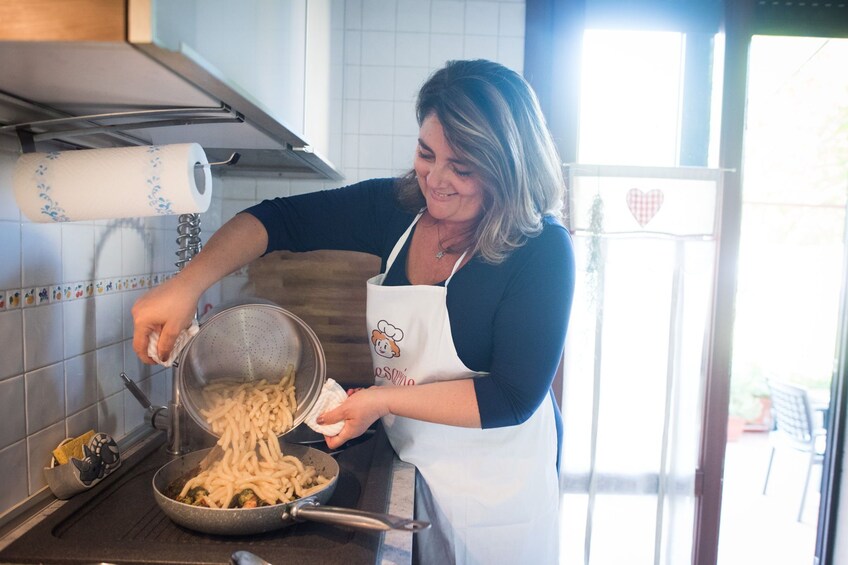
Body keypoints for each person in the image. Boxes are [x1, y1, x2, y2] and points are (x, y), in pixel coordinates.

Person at [132, 59, 575, 565]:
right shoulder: (399, 208)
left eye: (464, 167)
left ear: (508, 168)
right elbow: (278, 220)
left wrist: (382, 400)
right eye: (426, 154)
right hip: (410, 464)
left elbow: (512, 397)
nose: (436, 179)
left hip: (499, 490)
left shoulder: (541, 249)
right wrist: (187, 284)